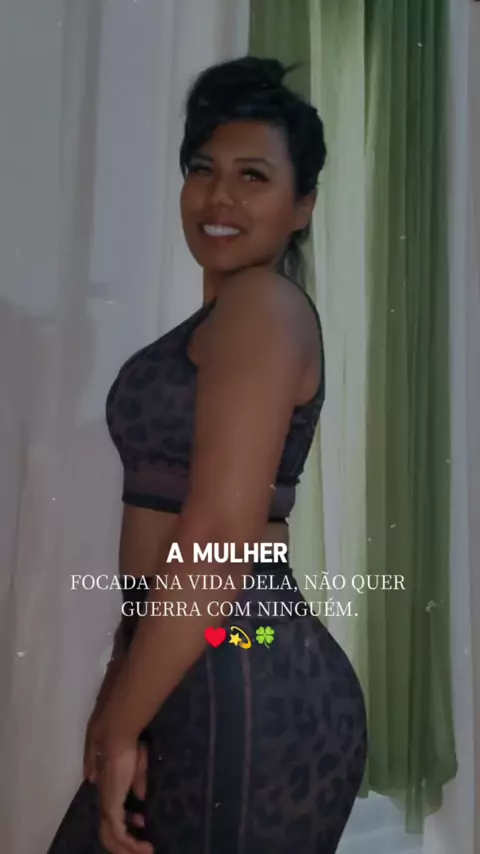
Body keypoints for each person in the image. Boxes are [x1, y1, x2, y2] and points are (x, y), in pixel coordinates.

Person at [46, 56, 367, 854]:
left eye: (253, 176)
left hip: (244, 669)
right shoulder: (223, 322)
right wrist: (122, 695)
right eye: (202, 169)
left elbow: (221, 533)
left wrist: (121, 724)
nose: (219, 196)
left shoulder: (262, 304)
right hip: (205, 656)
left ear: (303, 206)